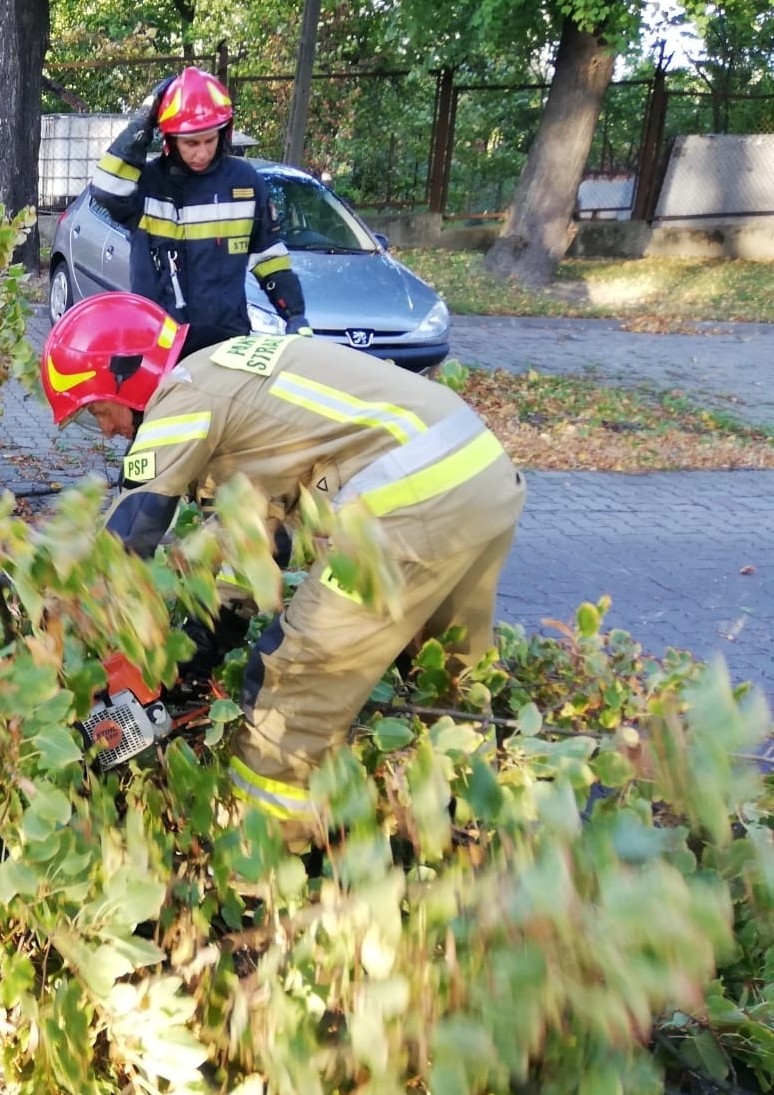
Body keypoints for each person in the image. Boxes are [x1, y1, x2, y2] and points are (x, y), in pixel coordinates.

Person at [40, 291, 526, 835]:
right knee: (447, 670)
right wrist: (201, 647)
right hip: (479, 478)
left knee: (292, 682)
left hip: (403, 506)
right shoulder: (231, 378)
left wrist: (72, 636)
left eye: (98, 411)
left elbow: (133, 530)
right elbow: (254, 541)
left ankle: (263, 858)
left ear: (126, 378)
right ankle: (484, 814)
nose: (106, 430)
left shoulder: (181, 396)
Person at [89, 67, 310, 355]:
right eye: (191, 143)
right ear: (170, 140)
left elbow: (269, 257)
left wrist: (295, 314)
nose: (202, 153)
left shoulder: (244, 183)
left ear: (224, 133)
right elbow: (106, 189)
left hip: (227, 342)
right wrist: (144, 121)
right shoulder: (150, 183)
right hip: (159, 342)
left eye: (210, 140)